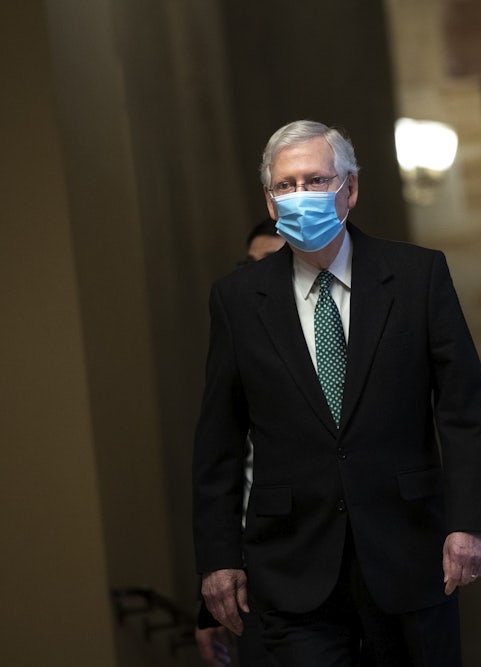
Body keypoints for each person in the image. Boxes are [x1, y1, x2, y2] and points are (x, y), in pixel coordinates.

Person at [192, 120, 481, 666]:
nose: (300, 195)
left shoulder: (416, 276)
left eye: (315, 180)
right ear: (269, 197)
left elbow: (463, 407)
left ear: (349, 189)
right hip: (290, 564)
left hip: (408, 550)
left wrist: (469, 522)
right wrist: (217, 559)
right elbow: (220, 439)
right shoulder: (237, 301)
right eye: (286, 185)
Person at [194, 220, 285, 667]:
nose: (255, 280)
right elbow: (221, 462)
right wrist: (210, 594)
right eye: (248, 266)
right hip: (258, 579)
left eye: (269, 265)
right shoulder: (235, 333)